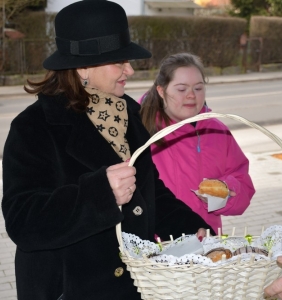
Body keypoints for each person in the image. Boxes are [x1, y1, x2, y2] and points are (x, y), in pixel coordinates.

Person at [1, 2, 213, 300]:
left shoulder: (129, 112)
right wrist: (101, 194)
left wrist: (191, 226)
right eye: (119, 61)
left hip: (131, 287)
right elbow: (23, 221)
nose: (130, 69)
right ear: (83, 68)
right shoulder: (34, 126)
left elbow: (150, 193)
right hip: (68, 290)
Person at [139, 53, 256, 234]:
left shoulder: (218, 131)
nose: (191, 96)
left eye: (198, 88)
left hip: (206, 241)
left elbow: (243, 183)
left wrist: (226, 192)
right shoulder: (141, 130)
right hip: (160, 246)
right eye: (181, 89)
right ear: (161, 91)